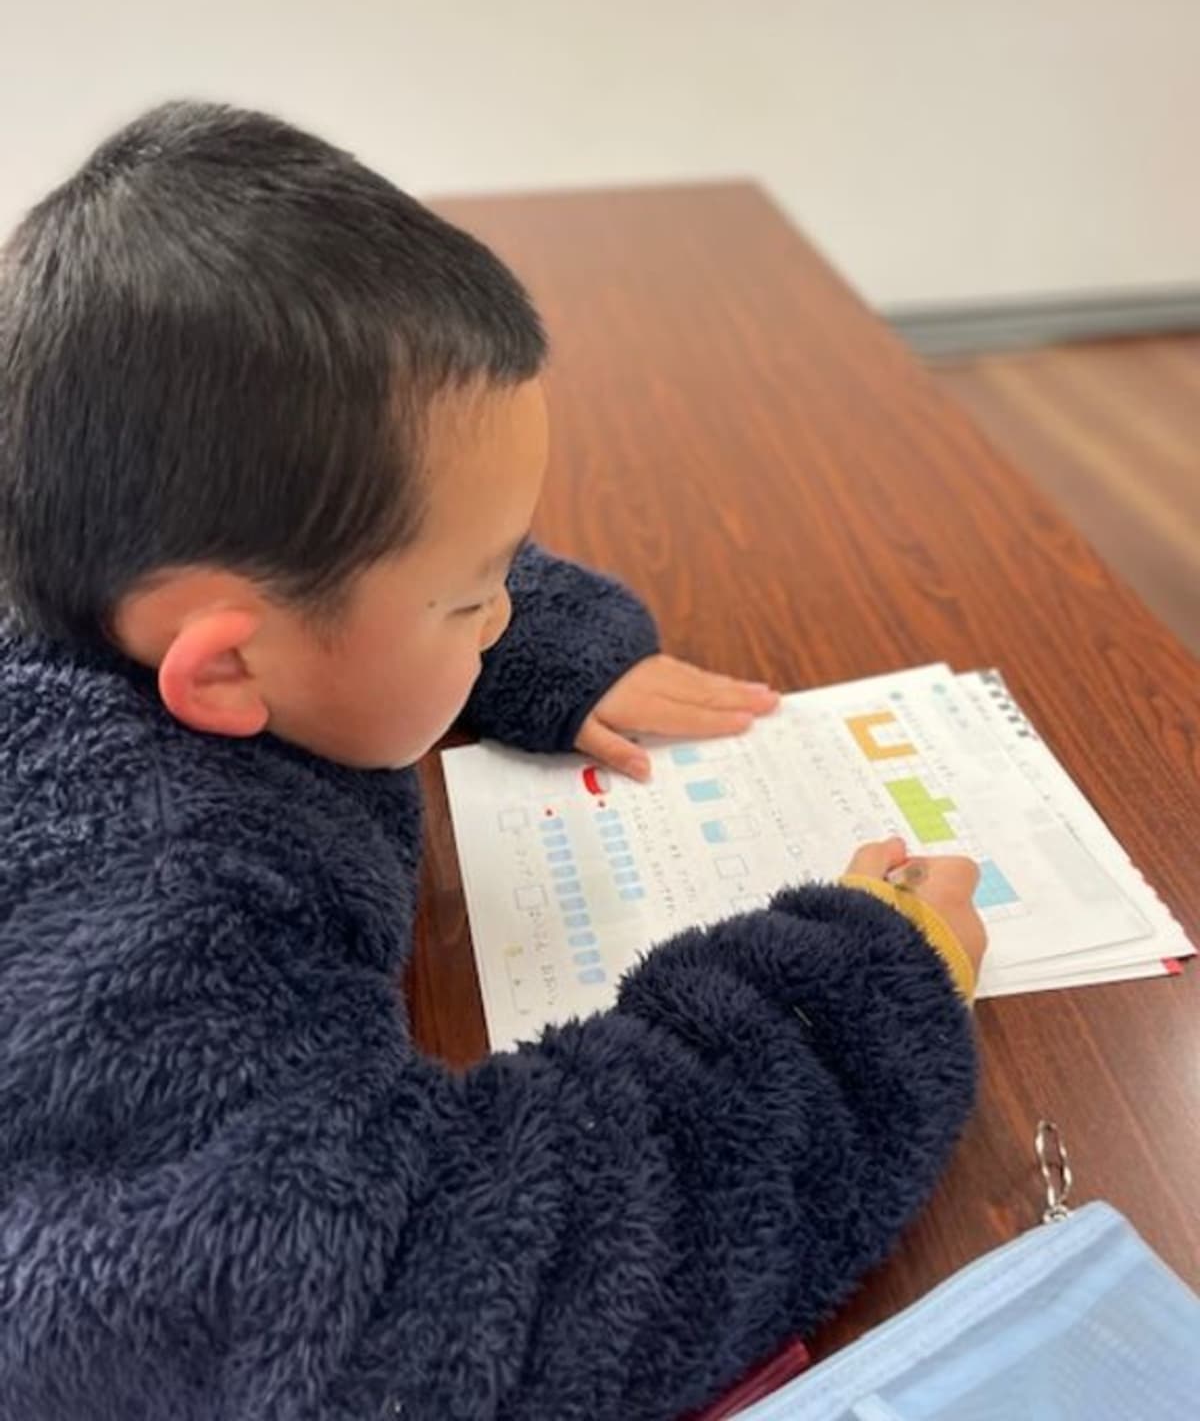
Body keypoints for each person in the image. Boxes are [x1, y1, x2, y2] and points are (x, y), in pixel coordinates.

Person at [0, 102, 984, 1421]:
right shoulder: (148, 934)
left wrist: (548, 649)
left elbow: (386, 558)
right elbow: (428, 1312)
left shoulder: (91, 527)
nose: (501, 606)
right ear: (224, 670)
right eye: (475, 599)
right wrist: (845, 1012)